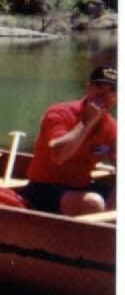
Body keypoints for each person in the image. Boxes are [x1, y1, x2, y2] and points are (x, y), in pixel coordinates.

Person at [22, 65, 117, 216]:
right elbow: (59, 155)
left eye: (112, 90)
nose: (104, 94)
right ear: (88, 88)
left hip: (80, 189)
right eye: (99, 86)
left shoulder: (111, 127)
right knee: (92, 203)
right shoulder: (60, 113)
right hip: (42, 190)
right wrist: (87, 122)